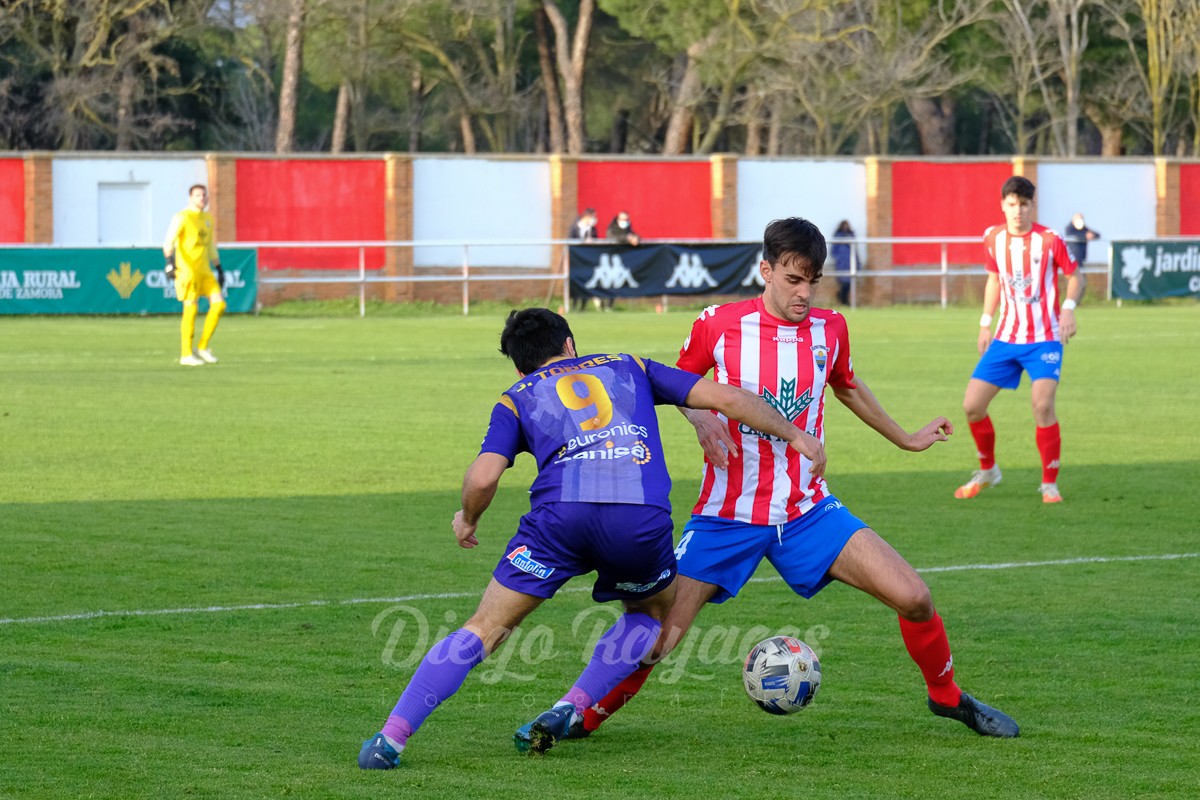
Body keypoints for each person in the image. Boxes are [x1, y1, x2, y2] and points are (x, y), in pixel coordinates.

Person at [579, 217, 1020, 739]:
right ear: (765, 270)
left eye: (813, 280)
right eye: (793, 279)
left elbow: (848, 386)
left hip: (807, 510)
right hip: (727, 514)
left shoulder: (830, 328)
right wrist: (699, 419)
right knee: (659, 639)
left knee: (915, 597)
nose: (804, 292)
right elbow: (679, 385)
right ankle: (577, 716)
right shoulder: (718, 323)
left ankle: (946, 698)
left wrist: (905, 437)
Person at [357, 307, 824, 769]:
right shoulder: (630, 365)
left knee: (484, 627)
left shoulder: (517, 395)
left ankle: (390, 739)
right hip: (637, 517)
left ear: (520, 365)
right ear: (569, 344)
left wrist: (469, 518)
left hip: (559, 521)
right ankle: (571, 704)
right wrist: (795, 435)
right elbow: (727, 398)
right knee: (650, 613)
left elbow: (482, 479)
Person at [955, 177, 1085, 504]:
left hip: (1045, 338)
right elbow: (994, 280)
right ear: (1003, 205)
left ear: (1032, 206)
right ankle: (988, 470)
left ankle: (1049, 483)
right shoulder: (993, 238)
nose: (1018, 211)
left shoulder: (1049, 240)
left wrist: (1068, 309)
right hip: (1006, 337)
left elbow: (1075, 276)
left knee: (1042, 405)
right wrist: (985, 323)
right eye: (1012, 204)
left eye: (1024, 204)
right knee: (972, 406)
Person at [163, 184, 225, 366]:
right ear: (190, 198)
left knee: (219, 304)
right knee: (190, 309)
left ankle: (203, 347)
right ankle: (186, 354)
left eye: (204, 195)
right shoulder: (182, 217)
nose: (202, 198)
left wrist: (219, 267)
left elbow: (210, 245)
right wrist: (169, 264)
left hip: (204, 269)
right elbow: (168, 242)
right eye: (198, 195)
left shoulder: (208, 218)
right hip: (187, 269)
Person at [567, 208, 599, 311]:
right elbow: (570, 240)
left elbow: (596, 239)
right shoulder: (574, 227)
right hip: (575, 260)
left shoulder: (592, 229)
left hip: (587, 260)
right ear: (587, 217)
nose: (594, 219)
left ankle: (583, 306)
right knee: (575, 281)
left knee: (587, 280)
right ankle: (574, 304)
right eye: (593, 217)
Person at [830, 219, 857, 305]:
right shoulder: (838, 236)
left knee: (849, 283)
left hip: (850, 263)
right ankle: (843, 300)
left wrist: (857, 263)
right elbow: (834, 250)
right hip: (841, 264)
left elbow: (855, 251)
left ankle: (844, 299)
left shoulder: (851, 236)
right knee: (844, 283)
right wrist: (838, 258)